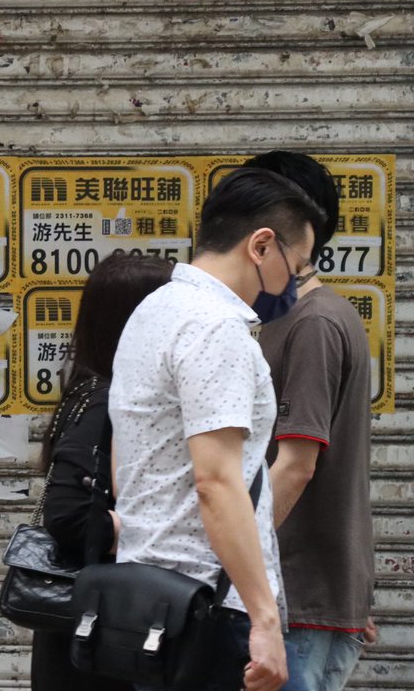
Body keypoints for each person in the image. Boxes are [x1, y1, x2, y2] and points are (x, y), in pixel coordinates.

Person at [109, 167, 326, 691]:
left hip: (146, 600)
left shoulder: (153, 310)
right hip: (208, 609)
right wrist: (265, 619)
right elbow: (218, 481)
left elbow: (126, 461)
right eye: (295, 267)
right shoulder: (214, 328)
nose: (292, 285)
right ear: (261, 246)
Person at [245, 151, 377, 690]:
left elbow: (296, 466)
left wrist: (227, 561)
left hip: (299, 601)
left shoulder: (314, 322)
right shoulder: (281, 318)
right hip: (290, 596)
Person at [32, 253, 173, 691]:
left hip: (92, 629)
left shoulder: (94, 389)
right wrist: (149, 532)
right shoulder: (105, 399)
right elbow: (68, 513)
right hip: (99, 633)